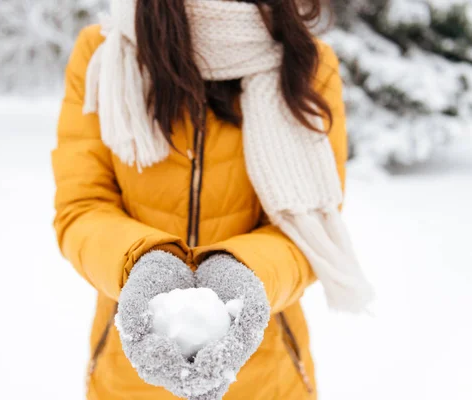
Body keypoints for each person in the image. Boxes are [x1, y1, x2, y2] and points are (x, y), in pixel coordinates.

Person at [52, 0, 374, 399]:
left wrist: (243, 274)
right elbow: (82, 206)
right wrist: (139, 263)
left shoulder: (306, 61)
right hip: (129, 373)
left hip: (268, 374)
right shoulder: (104, 50)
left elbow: (310, 228)